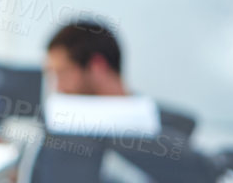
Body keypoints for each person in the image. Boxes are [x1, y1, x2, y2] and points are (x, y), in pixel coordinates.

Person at [44, 19, 195, 138]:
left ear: (97, 66)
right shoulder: (59, 132)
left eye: (63, 73)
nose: (58, 88)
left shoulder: (174, 131)